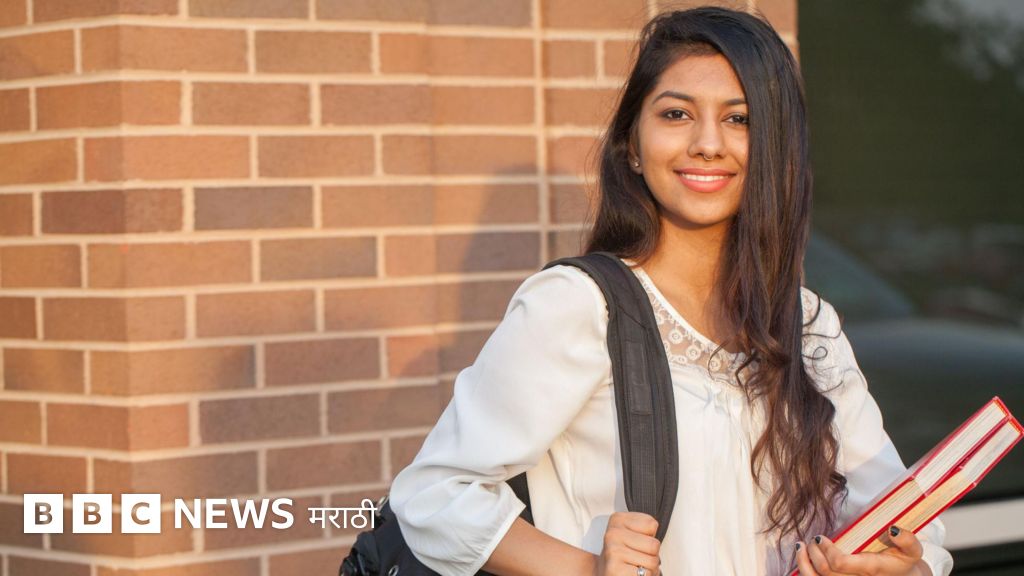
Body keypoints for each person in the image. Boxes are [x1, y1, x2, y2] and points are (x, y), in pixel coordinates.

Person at [389, 7, 955, 576]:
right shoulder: (581, 305)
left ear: (777, 148)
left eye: (740, 119)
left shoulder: (807, 324)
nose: (708, 143)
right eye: (677, 113)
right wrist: (588, 569)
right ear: (633, 146)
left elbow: (904, 515)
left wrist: (898, 566)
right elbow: (435, 494)